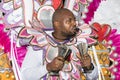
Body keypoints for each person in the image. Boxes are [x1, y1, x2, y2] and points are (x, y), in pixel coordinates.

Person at [20, 8, 98, 80]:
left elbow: (93, 77)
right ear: (57, 24)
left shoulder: (78, 44)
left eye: (74, 20)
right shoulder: (40, 44)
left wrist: (89, 67)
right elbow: (24, 75)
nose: (74, 23)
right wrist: (48, 67)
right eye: (69, 21)